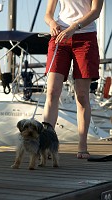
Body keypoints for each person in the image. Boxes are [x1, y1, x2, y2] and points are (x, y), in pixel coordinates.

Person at [43, 0, 104, 159]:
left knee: (82, 95)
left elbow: (95, 11)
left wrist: (73, 27)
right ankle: (48, 144)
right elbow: (48, 14)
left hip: (85, 38)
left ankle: (82, 146)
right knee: (52, 91)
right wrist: (52, 23)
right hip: (59, 37)